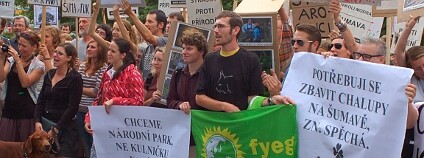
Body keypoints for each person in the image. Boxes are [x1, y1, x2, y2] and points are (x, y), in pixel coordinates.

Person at [195, 10, 294, 113]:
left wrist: (272, 99)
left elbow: (253, 100)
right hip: (214, 127)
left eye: (220, 26)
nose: (215, 30)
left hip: (241, 124)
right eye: (215, 26)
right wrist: (224, 106)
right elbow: (199, 98)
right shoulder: (209, 59)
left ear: (235, 30)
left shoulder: (251, 60)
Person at [34, 43, 83, 157]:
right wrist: (37, 121)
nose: (55, 55)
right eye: (55, 52)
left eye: (60, 53)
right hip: (46, 126)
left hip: (65, 129)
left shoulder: (75, 78)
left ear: (69, 58)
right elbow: (41, 100)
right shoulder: (49, 74)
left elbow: (73, 108)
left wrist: (56, 129)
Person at [166, 29, 207, 157]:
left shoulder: (209, 75)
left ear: (201, 51)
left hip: (202, 136)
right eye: (183, 48)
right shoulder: (178, 74)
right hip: (181, 136)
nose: (184, 52)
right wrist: (179, 105)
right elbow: (170, 100)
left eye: (189, 49)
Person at [0, 31, 45, 142]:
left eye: (24, 46)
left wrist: (18, 61)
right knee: (7, 146)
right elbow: (1, 78)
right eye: (19, 44)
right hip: (9, 108)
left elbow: (25, 82)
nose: (20, 48)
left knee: (25, 147)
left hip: (27, 111)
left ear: (34, 47)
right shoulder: (10, 61)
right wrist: (1, 59)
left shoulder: (38, 65)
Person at [77, 40, 108, 157]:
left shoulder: (103, 68)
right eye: (88, 47)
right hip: (79, 109)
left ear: (100, 50)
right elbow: (77, 84)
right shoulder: (83, 65)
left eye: (93, 47)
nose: (89, 49)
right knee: (85, 144)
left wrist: (79, 88)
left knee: (93, 144)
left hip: (93, 112)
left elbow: (96, 92)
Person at [122, 0, 167, 79]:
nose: (146, 24)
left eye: (150, 21)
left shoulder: (166, 42)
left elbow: (149, 37)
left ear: (160, 25)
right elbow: (141, 72)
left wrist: (130, 13)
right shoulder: (147, 48)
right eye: (146, 21)